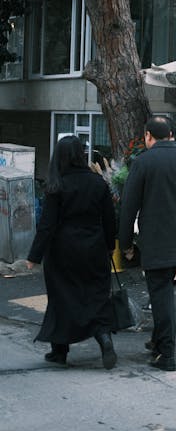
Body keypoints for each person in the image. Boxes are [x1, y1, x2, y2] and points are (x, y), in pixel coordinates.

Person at [119, 115, 176, 372]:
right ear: (171, 134)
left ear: (148, 135)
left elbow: (128, 207)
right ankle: (158, 341)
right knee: (163, 289)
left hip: (155, 240)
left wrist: (125, 243)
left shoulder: (143, 162)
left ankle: (166, 354)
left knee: (161, 294)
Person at [26, 135, 117, 369]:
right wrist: (110, 246)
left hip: (63, 250)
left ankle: (60, 351)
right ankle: (103, 337)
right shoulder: (98, 183)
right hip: (94, 246)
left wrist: (34, 256)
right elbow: (109, 219)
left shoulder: (56, 185)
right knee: (96, 295)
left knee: (62, 298)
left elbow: (47, 225)